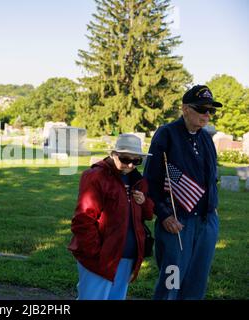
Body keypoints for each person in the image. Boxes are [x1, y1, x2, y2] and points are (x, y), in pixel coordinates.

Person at [144, 85, 221, 300]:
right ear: (185, 108)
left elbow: (210, 178)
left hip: (206, 221)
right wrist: (165, 214)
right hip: (177, 222)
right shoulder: (166, 134)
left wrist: (213, 209)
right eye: (201, 109)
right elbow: (151, 179)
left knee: (197, 281)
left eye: (210, 110)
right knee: (172, 280)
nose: (207, 115)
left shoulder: (206, 138)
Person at [68, 134, 154, 300]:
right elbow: (82, 221)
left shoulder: (138, 180)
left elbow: (148, 215)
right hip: (101, 258)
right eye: (124, 159)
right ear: (114, 154)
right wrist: (95, 254)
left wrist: (144, 202)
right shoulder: (95, 176)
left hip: (128, 257)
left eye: (136, 161)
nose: (130, 165)